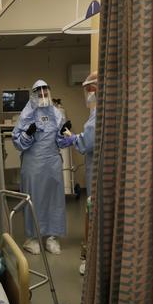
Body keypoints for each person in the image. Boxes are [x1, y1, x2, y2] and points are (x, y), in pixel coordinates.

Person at [12, 80, 75, 255]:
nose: (42, 95)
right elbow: (18, 143)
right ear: (33, 94)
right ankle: (31, 238)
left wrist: (63, 132)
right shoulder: (26, 115)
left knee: (54, 200)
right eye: (38, 93)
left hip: (52, 163)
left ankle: (51, 237)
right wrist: (28, 133)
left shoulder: (56, 113)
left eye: (45, 92)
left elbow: (61, 142)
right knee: (33, 200)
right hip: (33, 164)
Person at [60, 71, 98, 274]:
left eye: (89, 89)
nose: (88, 93)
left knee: (93, 212)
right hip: (97, 169)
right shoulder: (100, 110)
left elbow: (88, 142)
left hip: (100, 173)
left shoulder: (101, 111)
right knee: (91, 210)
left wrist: (74, 139)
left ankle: (91, 257)